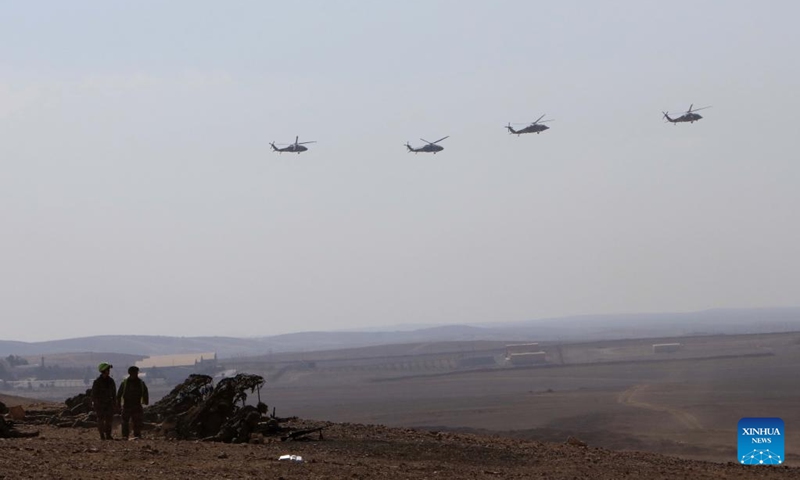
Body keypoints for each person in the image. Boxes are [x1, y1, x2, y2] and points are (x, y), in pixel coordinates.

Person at [117, 365, 149, 439]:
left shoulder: (141, 383)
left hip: (137, 405)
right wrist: (118, 405)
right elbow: (119, 394)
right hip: (127, 405)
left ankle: (137, 435)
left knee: (137, 422)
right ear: (130, 373)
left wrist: (146, 401)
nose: (136, 374)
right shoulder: (125, 383)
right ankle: (125, 436)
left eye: (137, 373)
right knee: (125, 422)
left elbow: (145, 392)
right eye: (135, 372)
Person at [90, 362, 117, 440]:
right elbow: (93, 394)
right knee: (101, 420)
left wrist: (115, 403)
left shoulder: (111, 381)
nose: (109, 371)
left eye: (108, 369)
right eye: (107, 369)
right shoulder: (97, 382)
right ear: (103, 370)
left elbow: (114, 393)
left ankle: (108, 435)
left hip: (109, 403)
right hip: (100, 404)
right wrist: (94, 403)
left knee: (109, 420)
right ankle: (102, 435)